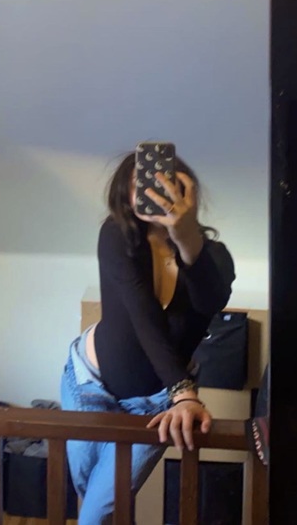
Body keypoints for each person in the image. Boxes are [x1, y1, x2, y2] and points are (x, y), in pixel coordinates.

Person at [60, 150, 236, 524]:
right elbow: (143, 318)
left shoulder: (217, 258)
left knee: (97, 514)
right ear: (124, 194)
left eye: (163, 183)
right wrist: (184, 392)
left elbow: (210, 300)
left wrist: (185, 237)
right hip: (89, 383)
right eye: (141, 185)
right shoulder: (117, 236)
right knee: (88, 494)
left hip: (156, 403)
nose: (152, 192)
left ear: (186, 191)